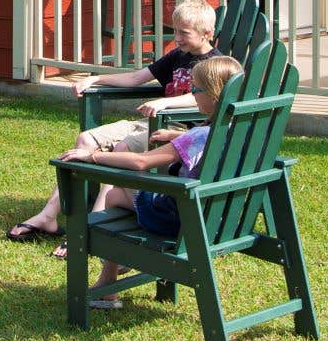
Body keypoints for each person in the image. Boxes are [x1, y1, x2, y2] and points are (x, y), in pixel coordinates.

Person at [6, 0, 219, 244]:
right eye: (176, 31)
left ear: (206, 33)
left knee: (122, 147)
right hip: (146, 122)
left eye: (184, 33)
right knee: (85, 139)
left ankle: (91, 228)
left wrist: (166, 101)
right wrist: (95, 79)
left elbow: (207, 98)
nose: (177, 38)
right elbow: (134, 78)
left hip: (174, 126)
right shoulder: (177, 56)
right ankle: (48, 216)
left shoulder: (215, 64)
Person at [57, 54, 245, 307]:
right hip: (220, 218)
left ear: (213, 95)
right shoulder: (241, 129)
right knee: (120, 196)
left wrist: (94, 156)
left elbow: (141, 162)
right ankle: (107, 284)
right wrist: (178, 136)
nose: (192, 93)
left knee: (113, 193)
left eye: (195, 89)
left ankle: (108, 281)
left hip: (181, 218)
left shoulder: (199, 136)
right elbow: (204, 141)